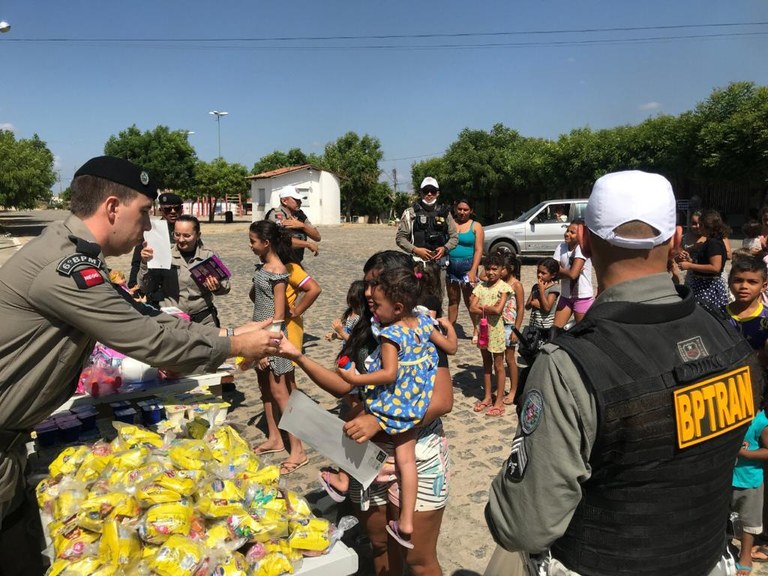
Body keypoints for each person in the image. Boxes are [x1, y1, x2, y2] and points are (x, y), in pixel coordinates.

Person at [0, 156, 281, 575]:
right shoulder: (63, 267)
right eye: (145, 213)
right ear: (113, 207)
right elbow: (148, 339)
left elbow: (143, 316)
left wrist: (228, 335)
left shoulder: (71, 251)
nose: (149, 227)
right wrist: (238, 345)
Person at [485, 170, 762, 576]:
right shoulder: (729, 337)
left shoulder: (568, 364)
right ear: (675, 239)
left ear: (583, 238)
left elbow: (522, 527)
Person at [279, 250, 454, 576]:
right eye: (367, 282)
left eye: (376, 283)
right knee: (380, 545)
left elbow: (443, 400)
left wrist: (378, 419)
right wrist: (298, 358)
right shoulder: (366, 325)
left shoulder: (419, 327)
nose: (368, 291)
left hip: (417, 455)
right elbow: (344, 387)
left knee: (418, 559)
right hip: (364, 457)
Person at [336, 267, 453, 548]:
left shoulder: (391, 334)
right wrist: (447, 328)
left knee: (354, 417)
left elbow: (389, 374)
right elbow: (451, 348)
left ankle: (342, 478)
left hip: (395, 403)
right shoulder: (425, 322)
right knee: (407, 462)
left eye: (378, 306)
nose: (373, 311)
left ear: (398, 307)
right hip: (417, 401)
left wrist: (356, 378)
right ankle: (407, 522)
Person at [246, 220, 308, 474]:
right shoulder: (265, 268)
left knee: (281, 393)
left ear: (266, 243)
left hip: (272, 337)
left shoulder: (278, 271)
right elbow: (258, 298)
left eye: (253, 241)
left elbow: (279, 315)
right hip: (260, 332)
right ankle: (274, 437)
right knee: (265, 389)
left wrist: (266, 345)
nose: (250, 245)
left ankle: (298, 449)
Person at [138, 214, 231, 326]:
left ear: (198, 235)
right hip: (172, 321)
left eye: (187, 236)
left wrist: (217, 287)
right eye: (177, 235)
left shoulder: (208, 256)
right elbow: (145, 287)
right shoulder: (165, 255)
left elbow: (226, 287)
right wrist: (144, 262)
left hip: (203, 320)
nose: (181, 240)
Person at [395, 177, 458, 299]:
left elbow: (454, 237)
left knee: (437, 298)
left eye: (433, 191)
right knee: (417, 297)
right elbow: (400, 238)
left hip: (439, 265)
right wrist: (416, 250)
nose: (429, 194)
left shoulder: (445, 213)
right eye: (426, 190)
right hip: (417, 263)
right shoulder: (410, 213)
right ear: (421, 193)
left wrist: (445, 248)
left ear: (437, 193)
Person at [470, 252, 513, 417]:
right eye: (488, 269)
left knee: (499, 365)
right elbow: (471, 307)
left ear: (502, 270)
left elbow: (498, 309)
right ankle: (487, 396)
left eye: (495, 269)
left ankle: (499, 400)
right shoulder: (480, 287)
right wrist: (488, 308)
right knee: (486, 364)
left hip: (496, 330)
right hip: (483, 331)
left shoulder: (503, 288)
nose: (491, 272)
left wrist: (483, 308)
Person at [732, 404, 768, 576]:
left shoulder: (761, 422)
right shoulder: (730, 416)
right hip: (728, 478)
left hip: (750, 481)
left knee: (749, 521)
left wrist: (745, 454)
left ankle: (745, 555)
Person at [128, 191, 183, 289]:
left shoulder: (188, 229)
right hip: (156, 283)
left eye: (177, 208)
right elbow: (137, 261)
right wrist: (133, 284)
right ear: (160, 210)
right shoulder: (150, 230)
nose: (173, 211)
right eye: (168, 209)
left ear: (181, 209)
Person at [678, 209, 731, 310]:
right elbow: (706, 261)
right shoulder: (710, 241)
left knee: (707, 315)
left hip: (708, 287)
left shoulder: (713, 243)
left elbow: (715, 267)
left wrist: (690, 266)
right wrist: (691, 260)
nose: (698, 228)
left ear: (705, 226)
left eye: (700, 224)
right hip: (702, 285)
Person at [446, 198, 484, 328]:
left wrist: (473, 270)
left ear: (471, 211)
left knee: (470, 301)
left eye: (465, 210)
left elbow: (479, 250)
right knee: (453, 300)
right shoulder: (450, 223)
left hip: (468, 266)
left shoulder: (476, 226)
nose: (462, 212)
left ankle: (476, 329)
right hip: (450, 266)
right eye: (460, 209)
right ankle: (451, 329)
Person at [552, 219, 594, 328]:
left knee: (582, 333)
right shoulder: (561, 247)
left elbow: (573, 275)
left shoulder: (581, 248)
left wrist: (561, 270)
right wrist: (568, 272)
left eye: (572, 232)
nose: (567, 234)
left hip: (582, 297)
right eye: (567, 230)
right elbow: (553, 271)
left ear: (580, 235)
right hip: (565, 296)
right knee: (555, 330)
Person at [265, 186, 321, 262]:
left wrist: (302, 226)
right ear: (284, 201)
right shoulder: (276, 214)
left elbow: (317, 237)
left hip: (295, 262)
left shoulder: (300, 215)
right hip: (278, 264)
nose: (300, 202)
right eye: (296, 200)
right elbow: (280, 240)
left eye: (300, 200)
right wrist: (307, 244)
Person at [525, 257, 560, 338]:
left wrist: (541, 291)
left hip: (546, 328)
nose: (539, 275)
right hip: (533, 326)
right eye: (538, 271)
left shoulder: (553, 288)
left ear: (553, 275)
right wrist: (532, 303)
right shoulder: (535, 287)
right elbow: (527, 306)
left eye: (543, 273)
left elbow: (547, 308)